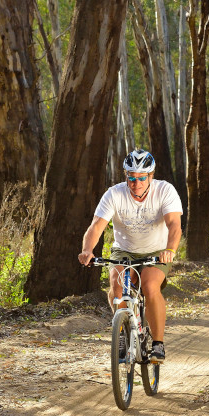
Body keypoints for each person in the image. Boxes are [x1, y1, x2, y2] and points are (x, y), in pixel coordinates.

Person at [78, 148, 183, 363]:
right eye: (131, 178)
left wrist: (170, 250)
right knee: (116, 288)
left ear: (150, 176)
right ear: (126, 176)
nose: (136, 184)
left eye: (142, 178)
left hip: (157, 251)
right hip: (124, 250)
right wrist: (87, 250)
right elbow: (96, 226)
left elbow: (174, 225)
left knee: (149, 285)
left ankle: (158, 344)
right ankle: (124, 332)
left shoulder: (165, 190)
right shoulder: (114, 193)